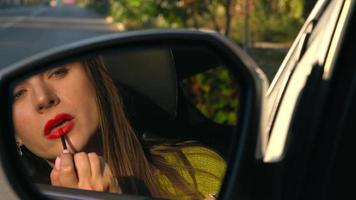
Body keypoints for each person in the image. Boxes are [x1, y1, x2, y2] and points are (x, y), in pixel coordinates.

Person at [12, 56, 226, 199]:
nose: (43, 98)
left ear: (97, 80)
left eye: (58, 71)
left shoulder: (196, 173)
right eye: (17, 94)